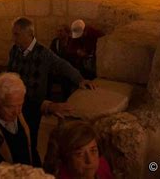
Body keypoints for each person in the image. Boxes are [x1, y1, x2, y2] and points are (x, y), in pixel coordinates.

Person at [8, 17, 96, 166]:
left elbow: (62, 65)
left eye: (16, 34)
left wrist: (80, 79)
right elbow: (10, 72)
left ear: (28, 34)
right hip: (16, 103)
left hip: (35, 105)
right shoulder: (14, 51)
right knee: (17, 138)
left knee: (30, 141)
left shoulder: (43, 53)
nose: (13, 37)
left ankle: (32, 169)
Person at [44, 120, 113, 179]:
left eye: (93, 151)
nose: (89, 160)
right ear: (66, 158)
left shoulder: (102, 167)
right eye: (79, 154)